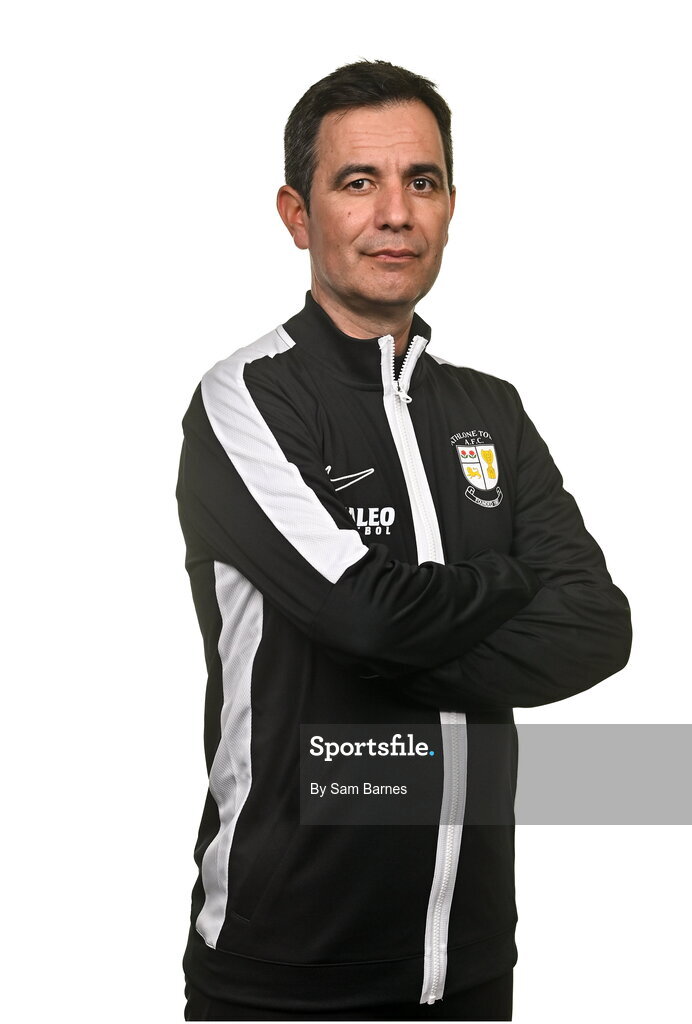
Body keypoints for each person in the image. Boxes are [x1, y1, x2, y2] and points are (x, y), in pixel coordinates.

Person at [176, 60, 632, 1021]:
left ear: (450, 207)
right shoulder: (246, 399)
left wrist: (379, 642)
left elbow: (598, 627)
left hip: (470, 965)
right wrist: (501, 581)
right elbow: (364, 620)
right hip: (284, 969)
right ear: (297, 215)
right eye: (358, 182)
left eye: (421, 181)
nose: (395, 213)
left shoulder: (490, 410)